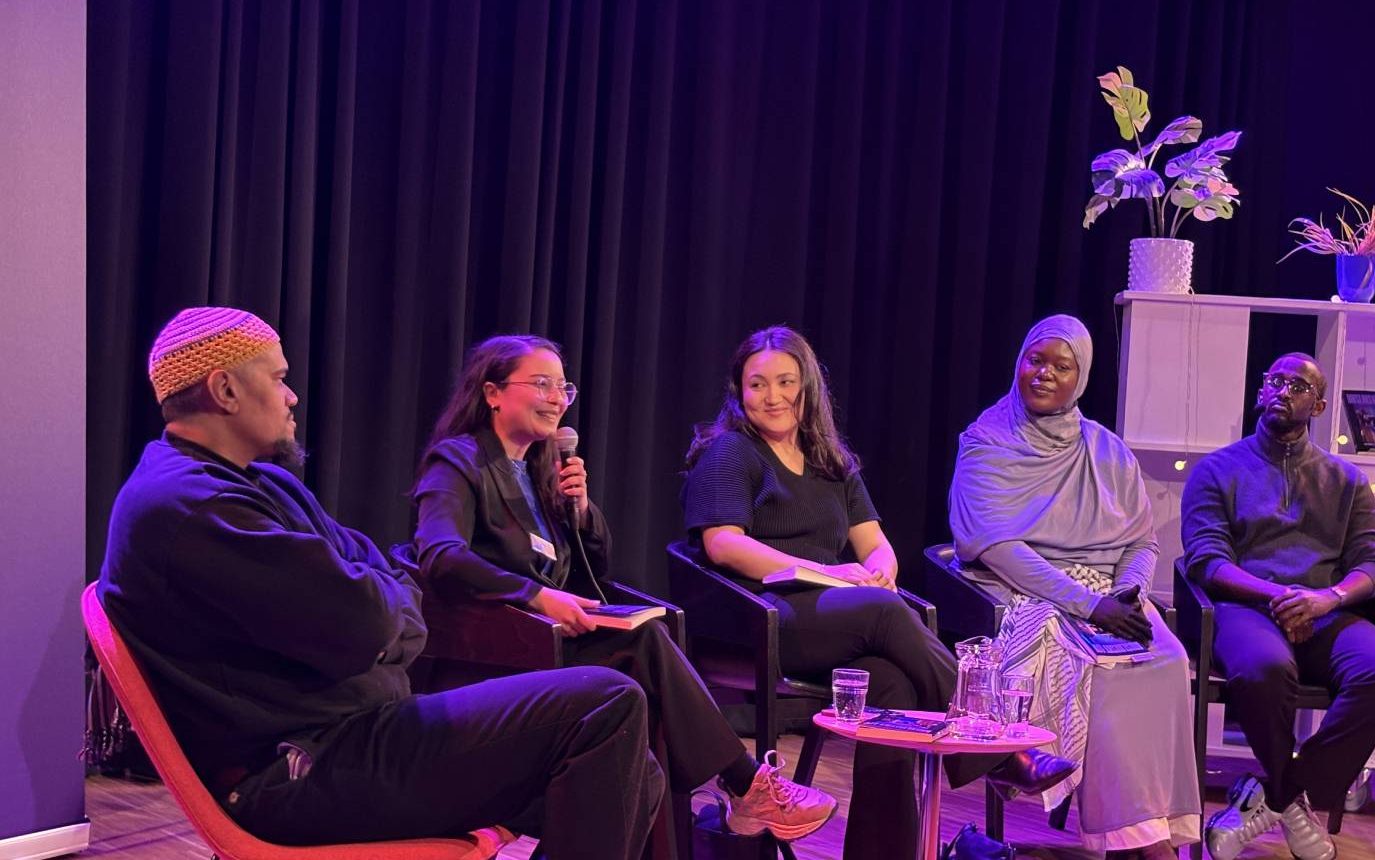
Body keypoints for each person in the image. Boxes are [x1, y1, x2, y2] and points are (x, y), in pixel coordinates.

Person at [98, 308, 662, 858]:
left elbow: (381, 576)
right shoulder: (195, 506)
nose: (292, 396)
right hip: (296, 769)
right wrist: (382, 616)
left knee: (636, 771)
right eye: (278, 378)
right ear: (225, 390)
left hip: (356, 735)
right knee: (606, 704)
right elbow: (367, 621)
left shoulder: (264, 484)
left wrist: (383, 614)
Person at [411, 334, 836, 841]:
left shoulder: (541, 469)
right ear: (492, 393)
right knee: (646, 645)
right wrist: (535, 596)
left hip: (555, 641)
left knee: (653, 646)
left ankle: (720, 804)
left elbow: (591, 571)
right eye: (541, 384)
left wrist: (581, 511)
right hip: (495, 653)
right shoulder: (458, 461)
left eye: (563, 388)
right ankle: (746, 786)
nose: (556, 399)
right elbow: (440, 556)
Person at [681, 325, 1075, 859]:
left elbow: (875, 545)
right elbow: (723, 544)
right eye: (757, 384)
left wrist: (881, 570)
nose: (772, 396)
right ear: (739, 391)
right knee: (883, 612)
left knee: (892, 685)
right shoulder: (731, 452)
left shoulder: (829, 462)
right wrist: (822, 571)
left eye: (785, 382)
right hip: (763, 617)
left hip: (832, 617)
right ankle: (998, 750)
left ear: (807, 387)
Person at [948, 315, 1201, 859]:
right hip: (1030, 591)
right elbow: (996, 547)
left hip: (1111, 594)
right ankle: (1138, 842)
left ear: (1080, 377)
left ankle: (1153, 827)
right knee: (1102, 672)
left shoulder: (1107, 450)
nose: (1043, 374)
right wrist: (1090, 605)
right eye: (1034, 360)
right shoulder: (987, 441)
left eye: (1061, 366)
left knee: (1168, 659)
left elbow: (1142, 541)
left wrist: (1128, 594)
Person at [1182, 352, 1375, 860]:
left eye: (1298, 386)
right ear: (1260, 392)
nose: (1283, 391)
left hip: (1327, 612)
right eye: (1275, 381)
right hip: (1247, 608)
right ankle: (1292, 804)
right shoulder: (1216, 470)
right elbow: (1206, 560)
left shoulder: (1346, 480)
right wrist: (1278, 596)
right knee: (1264, 669)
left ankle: (1276, 795)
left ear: (1319, 406)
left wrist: (1327, 598)